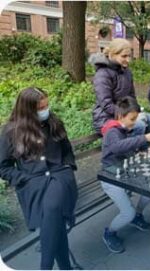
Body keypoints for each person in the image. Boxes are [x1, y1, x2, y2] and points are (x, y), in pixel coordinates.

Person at [0, 87, 78, 270]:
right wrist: (22, 178)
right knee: (55, 222)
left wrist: (68, 167)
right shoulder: (10, 132)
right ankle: (65, 267)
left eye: (47, 105)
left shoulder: (54, 123)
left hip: (60, 177)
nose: (45, 110)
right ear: (27, 110)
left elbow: (67, 150)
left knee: (52, 207)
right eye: (40, 108)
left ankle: (46, 267)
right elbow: (3, 166)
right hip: (33, 183)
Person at [100, 96, 150, 253]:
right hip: (110, 177)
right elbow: (117, 147)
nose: (134, 123)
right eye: (132, 119)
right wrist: (144, 138)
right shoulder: (112, 132)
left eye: (135, 119)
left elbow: (127, 148)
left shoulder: (124, 129)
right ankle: (109, 232)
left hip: (125, 173)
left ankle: (137, 215)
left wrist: (141, 151)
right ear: (121, 116)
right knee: (127, 213)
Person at [91, 38, 150, 138]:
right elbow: (106, 104)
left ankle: (143, 150)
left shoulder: (127, 72)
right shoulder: (102, 74)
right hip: (106, 119)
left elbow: (132, 97)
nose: (128, 60)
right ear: (112, 55)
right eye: (124, 56)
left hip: (125, 114)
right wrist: (128, 116)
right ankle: (129, 152)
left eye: (129, 56)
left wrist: (137, 111)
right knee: (138, 125)